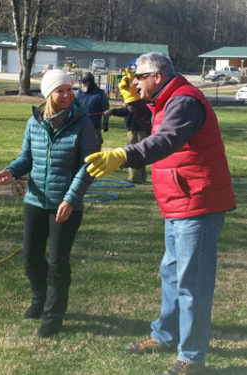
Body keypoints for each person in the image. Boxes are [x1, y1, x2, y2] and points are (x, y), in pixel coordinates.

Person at [85, 53, 236, 375]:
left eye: (138, 77)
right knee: (171, 274)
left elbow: (165, 140)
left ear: (157, 75)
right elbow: (155, 126)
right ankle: (165, 336)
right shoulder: (169, 100)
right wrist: (133, 101)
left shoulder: (184, 101)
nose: (134, 81)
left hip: (198, 203)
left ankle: (192, 358)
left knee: (192, 283)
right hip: (179, 202)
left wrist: (124, 154)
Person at [0, 69, 96, 338]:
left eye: (70, 90)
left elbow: (88, 168)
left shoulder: (82, 124)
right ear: (48, 93)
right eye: (61, 90)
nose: (67, 95)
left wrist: (71, 199)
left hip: (66, 205)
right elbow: (26, 158)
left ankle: (53, 315)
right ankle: (38, 301)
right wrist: (11, 171)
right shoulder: (34, 122)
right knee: (30, 258)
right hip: (35, 200)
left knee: (57, 262)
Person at [104, 77, 148, 184]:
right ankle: (142, 177)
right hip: (141, 128)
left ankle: (135, 178)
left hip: (135, 129)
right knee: (142, 153)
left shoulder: (136, 96)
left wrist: (112, 112)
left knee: (134, 152)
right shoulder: (141, 93)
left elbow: (128, 111)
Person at [76, 72, 109, 151]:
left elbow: (106, 109)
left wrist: (105, 123)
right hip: (80, 127)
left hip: (95, 127)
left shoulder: (100, 94)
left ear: (91, 82)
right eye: (82, 82)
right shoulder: (78, 93)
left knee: (95, 150)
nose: (83, 84)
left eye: (85, 82)